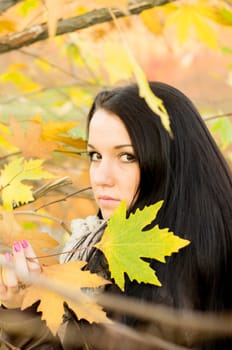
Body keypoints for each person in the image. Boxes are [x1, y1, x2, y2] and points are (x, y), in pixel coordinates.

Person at [0, 81, 231, 349]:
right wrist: (27, 308)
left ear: (172, 162)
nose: (101, 178)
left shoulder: (168, 289)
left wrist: (28, 326)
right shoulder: (98, 252)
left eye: (127, 156)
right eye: (95, 155)